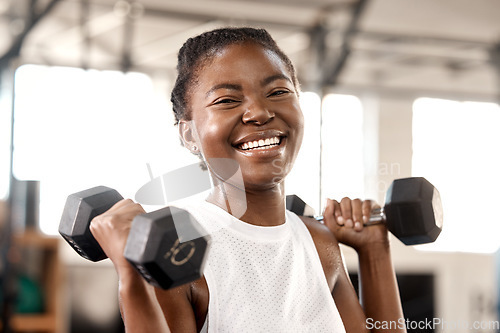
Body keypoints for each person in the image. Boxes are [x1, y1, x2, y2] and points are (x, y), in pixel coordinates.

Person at [90, 27, 406, 332]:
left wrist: (375, 251)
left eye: (279, 92)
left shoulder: (318, 241)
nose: (259, 112)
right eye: (227, 100)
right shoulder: (177, 246)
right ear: (189, 135)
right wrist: (132, 277)